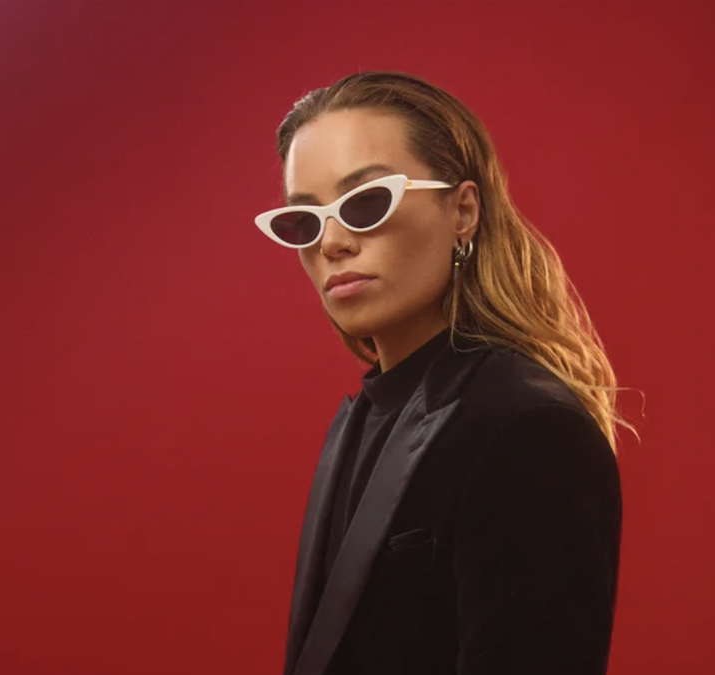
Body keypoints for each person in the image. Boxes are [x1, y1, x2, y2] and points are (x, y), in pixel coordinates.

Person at [254, 70, 631, 675]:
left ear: (462, 211)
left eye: (367, 202)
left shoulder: (529, 428)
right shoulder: (362, 420)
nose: (332, 243)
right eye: (305, 220)